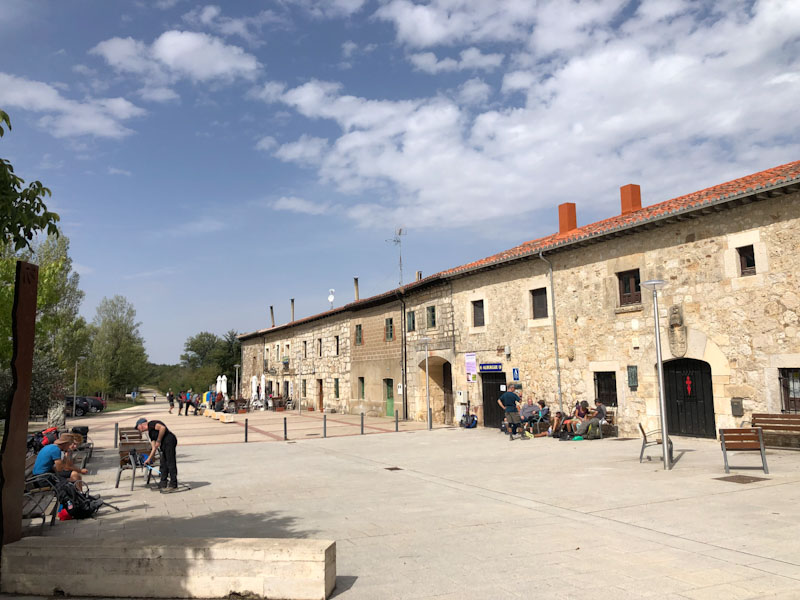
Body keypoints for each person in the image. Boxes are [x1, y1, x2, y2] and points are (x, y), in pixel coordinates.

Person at [136, 417, 178, 491]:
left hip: (169, 440)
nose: (138, 429)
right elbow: (154, 448)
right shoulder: (150, 434)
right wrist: (148, 460)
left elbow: (162, 428)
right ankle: (163, 482)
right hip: (164, 444)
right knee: (163, 463)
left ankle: (173, 484)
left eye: (137, 427)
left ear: (141, 425)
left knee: (170, 462)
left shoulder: (151, 424)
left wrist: (158, 440)